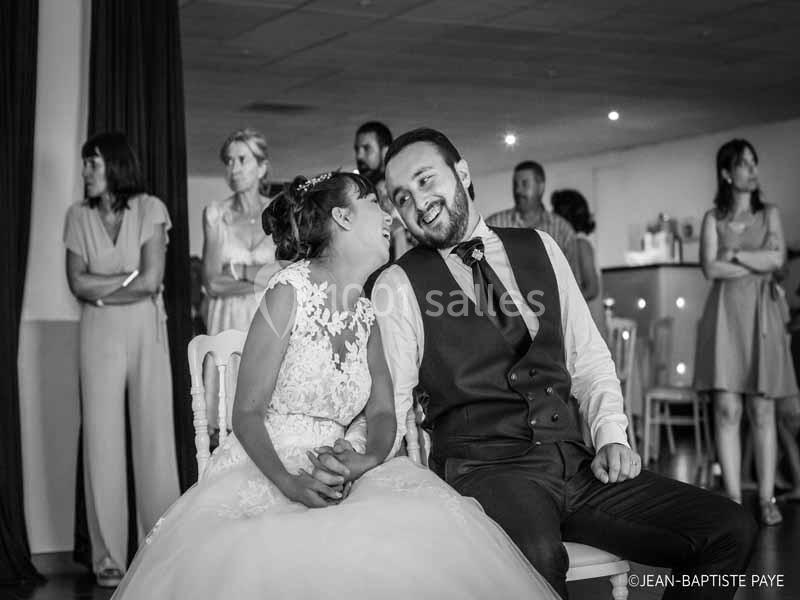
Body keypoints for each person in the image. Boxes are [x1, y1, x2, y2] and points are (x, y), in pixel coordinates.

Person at [342, 127, 756, 599]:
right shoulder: (397, 284)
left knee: (729, 528)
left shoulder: (542, 247)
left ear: (462, 173)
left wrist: (611, 436)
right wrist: (361, 462)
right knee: (536, 555)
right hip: (484, 473)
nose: (418, 202)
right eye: (402, 196)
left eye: (425, 179)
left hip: (575, 465)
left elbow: (589, 358)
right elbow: (390, 404)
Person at [111, 172, 559, 599]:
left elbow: (382, 412)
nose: (389, 216)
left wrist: (364, 459)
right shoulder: (287, 292)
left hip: (344, 468)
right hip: (270, 465)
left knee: (424, 538)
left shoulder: (367, 313)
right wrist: (290, 484)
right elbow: (245, 412)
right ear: (343, 217)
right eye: (374, 203)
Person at [63, 131, 180, 587]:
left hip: (146, 330)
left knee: (155, 438)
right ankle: (108, 556)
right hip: (98, 333)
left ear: (115, 165)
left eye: (93, 163)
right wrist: (124, 282)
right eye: (85, 164)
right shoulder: (77, 216)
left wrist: (101, 289)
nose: (86, 172)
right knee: (101, 440)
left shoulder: (151, 208)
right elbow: (76, 283)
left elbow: (151, 280)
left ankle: (162, 547)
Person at [695, 138, 799, 526]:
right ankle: (735, 500)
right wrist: (758, 263)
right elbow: (710, 268)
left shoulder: (769, 214)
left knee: (762, 408)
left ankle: (767, 497)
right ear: (726, 173)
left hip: (762, 317)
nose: (753, 170)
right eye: (744, 164)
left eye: (755, 162)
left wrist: (735, 255)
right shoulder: (713, 218)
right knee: (727, 409)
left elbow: (777, 259)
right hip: (725, 316)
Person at [201, 129, 281, 431]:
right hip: (228, 321)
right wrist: (264, 276)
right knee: (228, 420)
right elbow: (212, 283)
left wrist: (236, 271)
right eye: (229, 161)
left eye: (242, 159)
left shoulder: (279, 212)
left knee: (273, 418)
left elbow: (287, 272)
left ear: (262, 167)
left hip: (270, 319)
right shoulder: (216, 215)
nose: (233, 168)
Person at [486, 161, 579, 277]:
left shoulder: (563, 230)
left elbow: (573, 280)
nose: (518, 190)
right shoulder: (494, 225)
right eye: (515, 185)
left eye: (524, 184)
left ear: (541, 187)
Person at [355, 121, 412, 260]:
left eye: (367, 149)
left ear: (385, 151)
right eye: (357, 149)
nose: (359, 156)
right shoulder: (359, 191)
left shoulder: (405, 188)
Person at [551, 188, 605, 337]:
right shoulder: (576, 242)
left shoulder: (580, 243)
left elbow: (592, 289)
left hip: (589, 329)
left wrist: (559, 303)